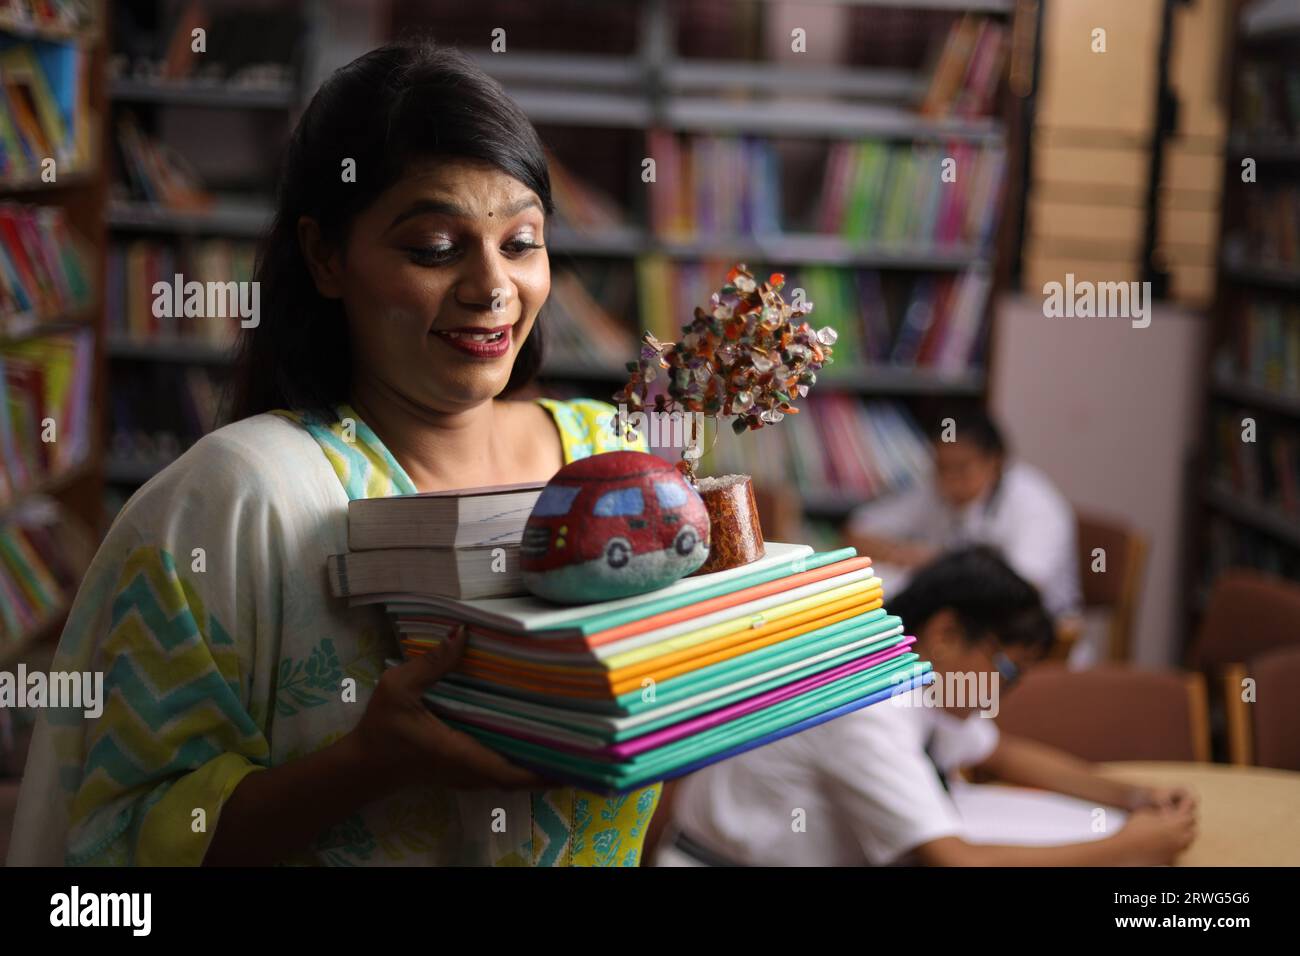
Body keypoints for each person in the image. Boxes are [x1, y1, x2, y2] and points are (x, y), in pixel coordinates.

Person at [8, 41, 661, 867]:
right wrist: (364, 766)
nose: (492, 285)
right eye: (434, 248)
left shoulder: (617, 461)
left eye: (521, 242)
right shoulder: (238, 497)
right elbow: (121, 844)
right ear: (325, 256)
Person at [661, 548, 1197, 866]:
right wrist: (1129, 845)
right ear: (944, 632)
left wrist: (1133, 796)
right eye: (1004, 670)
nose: (999, 692)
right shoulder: (863, 702)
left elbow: (999, 753)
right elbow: (956, 862)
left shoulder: (907, 666)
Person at [844, 409, 1081, 619]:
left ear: (995, 461)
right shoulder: (935, 490)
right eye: (941, 468)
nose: (950, 479)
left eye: (962, 468)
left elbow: (1022, 590)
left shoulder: (1036, 505)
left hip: (1030, 630)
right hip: (962, 619)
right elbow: (858, 532)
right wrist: (903, 553)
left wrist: (939, 564)